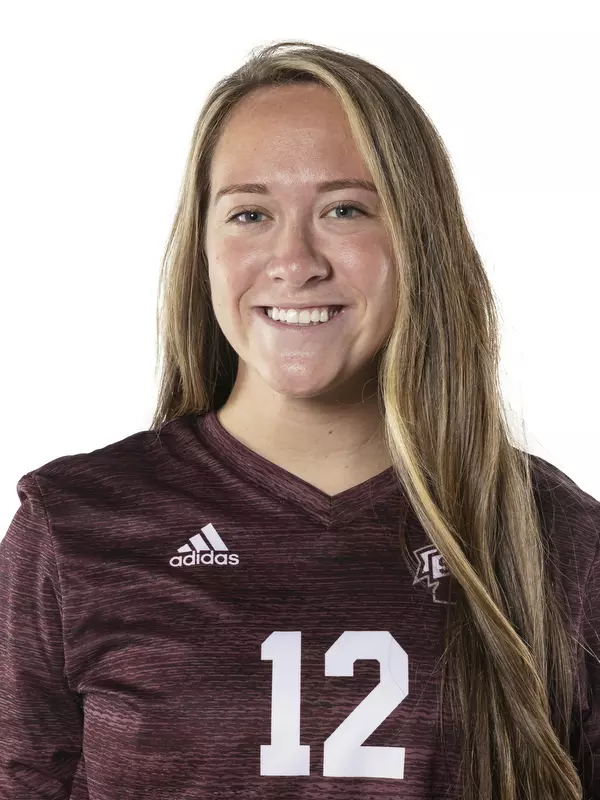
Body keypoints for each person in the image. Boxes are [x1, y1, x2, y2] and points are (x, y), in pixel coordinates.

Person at [0, 40, 599, 800]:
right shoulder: (75, 527)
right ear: (204, 249)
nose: (294, 259)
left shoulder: (556, 540)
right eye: (250, 213)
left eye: (344, 210)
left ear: (419, 238)